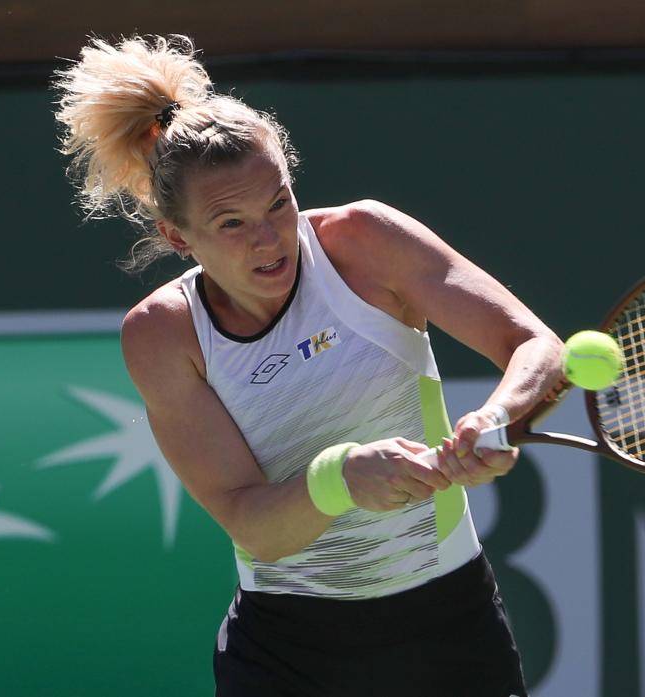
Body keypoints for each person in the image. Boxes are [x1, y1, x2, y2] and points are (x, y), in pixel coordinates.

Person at [53, 35, 564, 697]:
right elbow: (253, 525)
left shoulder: (364, 242)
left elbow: (535, 346)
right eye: (231, 223)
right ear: (179, 237)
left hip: (449, 627)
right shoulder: (162, 335)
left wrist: (495, 417)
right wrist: (342, 476)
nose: (268, 239)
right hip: (287, 655)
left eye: (277, 203)